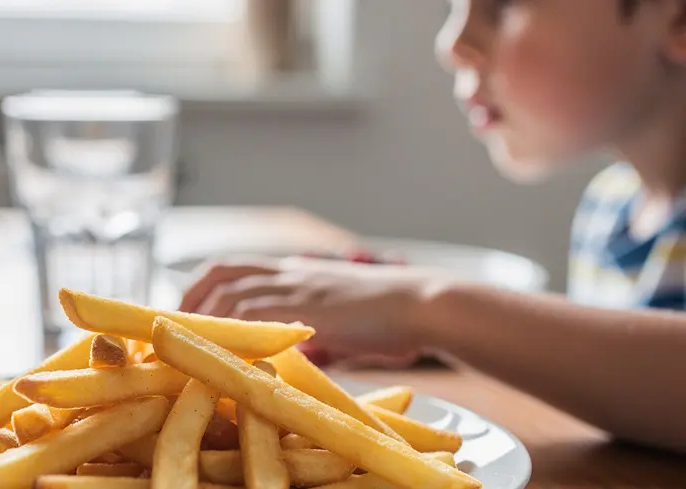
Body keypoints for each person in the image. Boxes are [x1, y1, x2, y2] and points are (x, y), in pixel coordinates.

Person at [180, 0, 686, 453]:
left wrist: (427, 306)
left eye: (504, 5)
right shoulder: (610, 209)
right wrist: (439, 339)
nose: (452, 45)